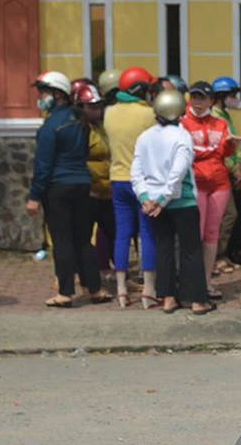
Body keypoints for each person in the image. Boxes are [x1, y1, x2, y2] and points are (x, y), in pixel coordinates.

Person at [26, 71, 112, 307]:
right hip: (83, 184)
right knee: (83, 239)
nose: (40, 98)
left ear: (57, 94)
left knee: (62, 240)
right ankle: (94, 289)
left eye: (43, 92)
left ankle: (65, 292)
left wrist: (34, 197)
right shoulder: (80, 121)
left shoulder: (51, 126)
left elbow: (43, 165)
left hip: (58, 188)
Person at [130, 90, 216, 315]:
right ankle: (197, 300)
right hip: (182, 201)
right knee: (191, 250)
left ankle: (168, 298)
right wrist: (163, 199)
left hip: (156, 204)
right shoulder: (182, 136)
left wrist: (146, 198)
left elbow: (136, 172)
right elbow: (178, 172)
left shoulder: (144, 137)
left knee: (164, 249)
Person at [180, 81, 241, 300]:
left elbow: (223, 153)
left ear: (210, 100)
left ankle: (206, 281)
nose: (197, 102)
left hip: (219, 183)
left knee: (212, 234)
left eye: (202, 98)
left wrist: (230, 145)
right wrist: (212, 151)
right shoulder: (183, 123)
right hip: (196, 182)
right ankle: (192, 281)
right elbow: (190, 154)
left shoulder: (219, 122)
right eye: (194, 97)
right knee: (194, 233)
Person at [103, 66, 157, 309]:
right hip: (143, 181)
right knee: (147, 233)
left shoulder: (109, 113)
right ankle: (148, 290)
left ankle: (122, 290)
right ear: (142, 90)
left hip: (118, 180)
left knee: (122, 234)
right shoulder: (148, 115)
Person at [74, 83, 116, 277]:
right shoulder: (79, 129)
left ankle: (117, 272)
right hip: (89, 190)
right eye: (92, 107)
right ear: (81, 107)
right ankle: (79, 275)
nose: (97, 110)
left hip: (106, 189)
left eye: (99, 106)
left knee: (113, 233)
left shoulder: (101, 127)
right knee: (82, 237)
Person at [211, 76, 241, 274]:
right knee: (226, 215)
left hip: (229, 170)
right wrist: (233, 166)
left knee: (226, 215)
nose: (235, 99)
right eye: (232, 95)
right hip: (220, 172)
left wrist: (239, 163)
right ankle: (216, 256)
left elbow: (234, 144)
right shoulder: (216, 117)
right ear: (222, 96)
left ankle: (221, 255)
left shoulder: (225, 115)